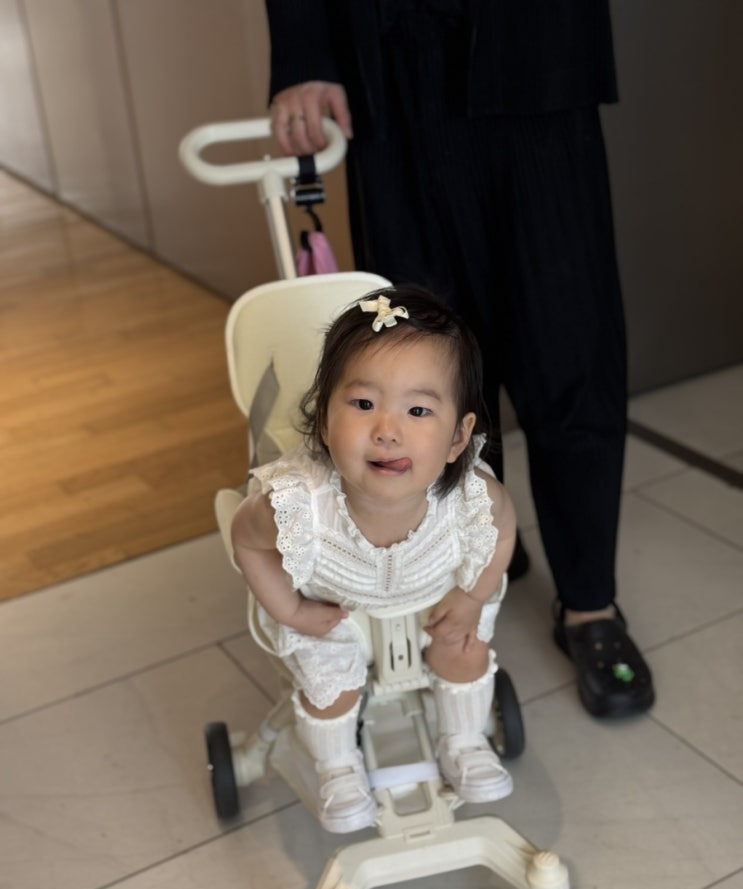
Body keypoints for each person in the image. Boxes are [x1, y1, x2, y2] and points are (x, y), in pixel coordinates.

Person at [263, 0, 655, 719]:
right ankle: (465, 565)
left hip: (538, 56)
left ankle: (589, 603)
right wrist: (303, 54)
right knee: (421, 360)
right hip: (390, 62)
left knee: (571, 344)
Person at [231, 284, 517, 833]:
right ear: (323, 419)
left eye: (418, 410)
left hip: (435, 600)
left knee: (465, 648)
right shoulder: (298, 506)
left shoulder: (470, 497)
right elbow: (246, 541)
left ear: (458, 437)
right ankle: (337, 767)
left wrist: (472, 595)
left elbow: (503, 534)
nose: (387, 431)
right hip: (333, 611)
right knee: (329, 682)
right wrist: (291, 610)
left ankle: (463, 741)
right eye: (363, 405)